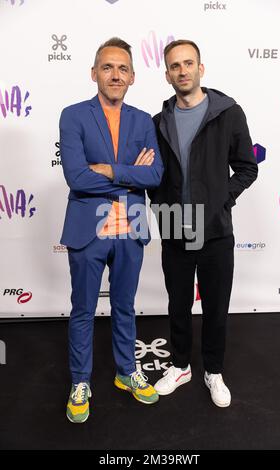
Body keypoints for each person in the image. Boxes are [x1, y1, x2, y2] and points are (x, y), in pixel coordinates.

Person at [59, 37, 164, 423]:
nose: (115, 75)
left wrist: (110, 169)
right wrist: (129, 177)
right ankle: (80, 381)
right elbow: (76, 177)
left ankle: (126, 372)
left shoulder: (143, 119)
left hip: (131, 230)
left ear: (133, 77)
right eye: (107, 67)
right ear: (94, 73)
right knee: (83, 309)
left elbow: (154, 174)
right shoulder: (73, 115)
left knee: (124, 307)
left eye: (122, 68)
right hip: (88, 230)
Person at [149, 39, 258, 407]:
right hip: (175, 230)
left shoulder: (228, 113)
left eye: (188, 63)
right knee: (178, 305)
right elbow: (157, 176)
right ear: (167, 74)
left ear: (201, 68)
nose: (182, 70)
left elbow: (246, 167)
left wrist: (219, 201)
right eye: (175, 66)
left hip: (214, 232)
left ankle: (213, 370)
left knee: (215, 307)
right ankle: (180, 366)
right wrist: (160, 206)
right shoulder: (159, 122)